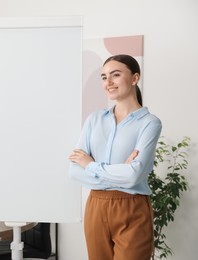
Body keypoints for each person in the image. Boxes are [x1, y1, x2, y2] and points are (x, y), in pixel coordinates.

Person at [68, 54, 162, 260]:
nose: (108, 82)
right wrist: (122, 172)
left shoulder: (150, 123)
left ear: (135, 78)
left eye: (116, 75)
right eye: (104, 77)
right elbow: (74, 171)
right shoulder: (94, 119)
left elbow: (133, 176)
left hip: (132, 207)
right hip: (96, 206)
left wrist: (90, 165)